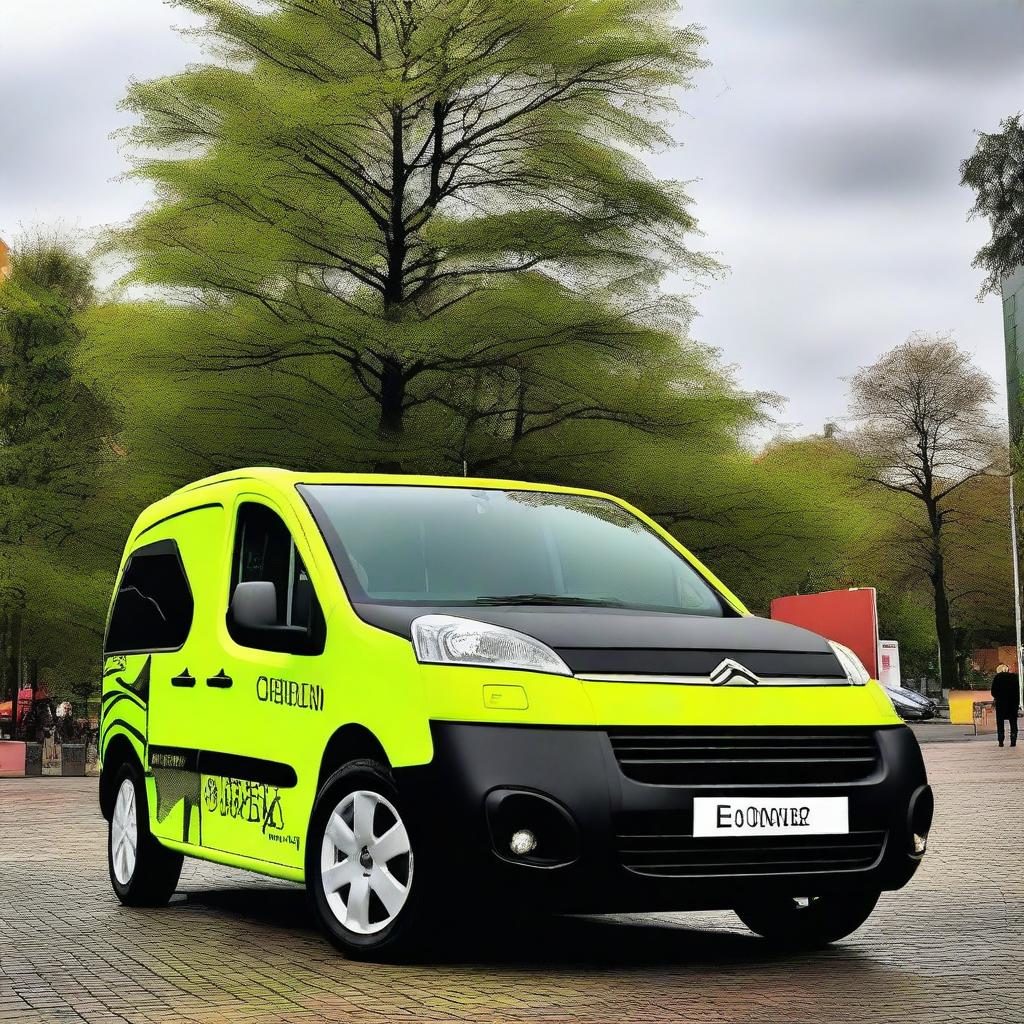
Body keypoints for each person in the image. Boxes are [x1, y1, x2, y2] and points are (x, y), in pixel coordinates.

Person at [990, 664, 1021, 748]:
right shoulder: (1014, 677)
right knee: (1013, 722)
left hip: (1001, 704)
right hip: (1013, 704)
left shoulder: (997, 678)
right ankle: (1013, 741)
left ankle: (1001, 741)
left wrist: (998, 697)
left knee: (1000, 723)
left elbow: (993, 691)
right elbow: (1018, 691)